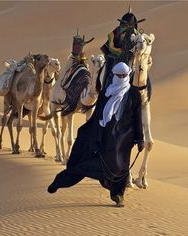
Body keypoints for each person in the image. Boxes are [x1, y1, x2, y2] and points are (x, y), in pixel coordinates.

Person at [47, 62, 144, 207]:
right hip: (105, 134)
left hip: (124, 137)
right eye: (119, 76)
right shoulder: (106, 92)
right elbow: (98, 113)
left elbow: (137, 117)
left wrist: (139, 138)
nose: (122, 78)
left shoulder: (134, 94)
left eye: (125, 75)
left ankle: (118, 194)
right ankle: (61, 181)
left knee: (121, 166)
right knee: (97, 162)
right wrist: (89, 130)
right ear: (114, 75)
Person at [100, 11, 146, 89]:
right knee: (108, 70)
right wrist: (120, 51)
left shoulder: (137, 34)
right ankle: (104, 89)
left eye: (131, 25)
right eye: (126, 25)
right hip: (114, 56)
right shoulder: (117, 31)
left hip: (131, 58)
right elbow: (110, 46)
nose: (128, 27)